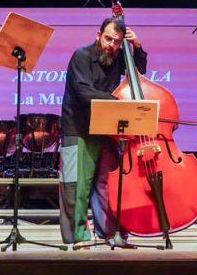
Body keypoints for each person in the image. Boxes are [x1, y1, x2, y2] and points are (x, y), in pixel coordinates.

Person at [59, 17, 147, 247]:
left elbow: (140, 72)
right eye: (108, 38)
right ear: (98, 34)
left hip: (106, 128)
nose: (112, 45)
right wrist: (117, 102)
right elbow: (83, 91)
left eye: (117, 42)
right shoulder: (82, 55)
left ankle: (111, 233)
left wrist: (136, 47)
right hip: (78, 127)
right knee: (77, 186)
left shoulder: (118, 57)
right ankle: (78, 236)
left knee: (108, 185)